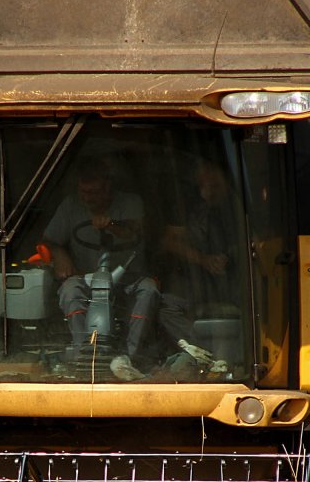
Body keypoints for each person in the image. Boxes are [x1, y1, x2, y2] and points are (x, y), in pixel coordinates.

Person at [41, 159, 159, 380]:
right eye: (83, 192)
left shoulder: (131, 203)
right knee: (69, 290)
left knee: (149, 290)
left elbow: (135, 231)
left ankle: (128, 359)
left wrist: (112, 226)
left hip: (127, 276)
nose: (87, 198)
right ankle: (82, 354)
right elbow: (50, 240)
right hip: (86, 278)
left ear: (109, 187)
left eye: (94, 192)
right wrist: (60, 256)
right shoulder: (70, 205)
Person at [159, 162, 243, 355]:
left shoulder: (241, 207)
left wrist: (229, 257)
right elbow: (170, 241)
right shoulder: (189, 207)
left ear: (227, 184)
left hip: (236, 281)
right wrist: (203, 260)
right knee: (166, 308)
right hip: (195, 280)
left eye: (214, 186)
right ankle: (201, 353)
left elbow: (260, 241)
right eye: (203, 187)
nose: (208, 193)